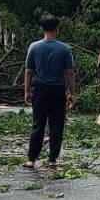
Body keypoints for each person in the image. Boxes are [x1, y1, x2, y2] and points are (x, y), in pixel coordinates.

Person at [23, 15, 77, 170]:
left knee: (38, 124)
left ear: (41, 29)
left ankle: (31, 159)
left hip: (40, 89)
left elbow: (29, 71)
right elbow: (70, 72)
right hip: (58, 90)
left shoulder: (34, 47)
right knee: (57, 125)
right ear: (57, 29)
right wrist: (72, 93)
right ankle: (52, 159)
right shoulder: (64, 48)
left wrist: (27, 90)